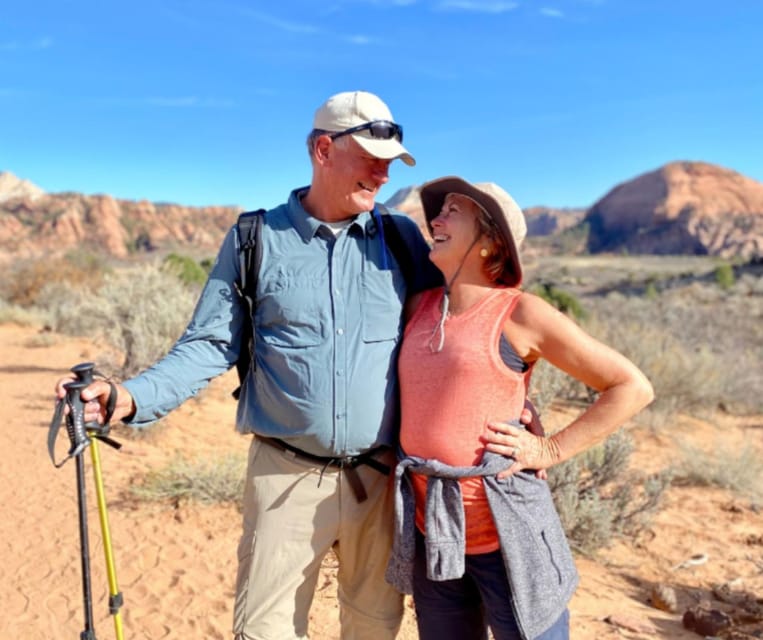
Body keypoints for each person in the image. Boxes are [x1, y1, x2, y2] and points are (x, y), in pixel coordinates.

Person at [54, 93, 535, 640]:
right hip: (284, 476)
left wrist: (522, 411)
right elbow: (209, 344)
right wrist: (130, 396)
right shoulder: (254, 239)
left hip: (380, 485)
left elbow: (458, 333)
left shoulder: (401, 241)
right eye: (370, 157)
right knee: (264, 631)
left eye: (390, 163)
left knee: (374, 628)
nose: (382, 174)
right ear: (323, 149)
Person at [385, 177, 655, 640]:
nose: (436, 219)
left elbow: (631, 386)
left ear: (491, 243)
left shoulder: (520, 314)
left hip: (508, 535)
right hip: (436, 532)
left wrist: (549, 449)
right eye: (440, 210)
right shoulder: (417, 307)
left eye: (454, 211)